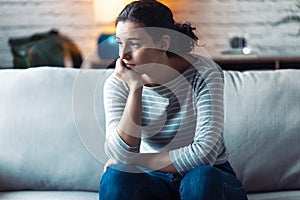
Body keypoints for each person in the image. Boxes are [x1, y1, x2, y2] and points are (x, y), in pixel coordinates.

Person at [99, 0, 248, 199]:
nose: (123, 54)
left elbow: (204, 155)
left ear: (163, 43)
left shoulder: (203, 73)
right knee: (116, 177)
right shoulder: (118, 83)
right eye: (119, 42)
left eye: (134, 43)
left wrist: (135, 160)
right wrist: (136, 89)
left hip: (209, 178)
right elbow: (119, 154)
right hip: (154, 180)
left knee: (199, 179)